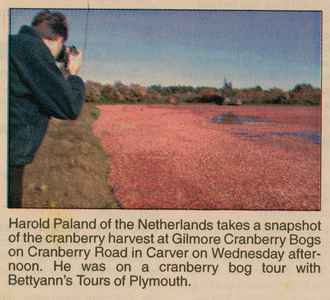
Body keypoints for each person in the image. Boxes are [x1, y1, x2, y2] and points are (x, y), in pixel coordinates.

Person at [8, 10, 85, 208]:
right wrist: (73, 73)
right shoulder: (34, 50)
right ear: (58, 39)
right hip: (9, 155)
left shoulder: (13, 43)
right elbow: (69, 107)